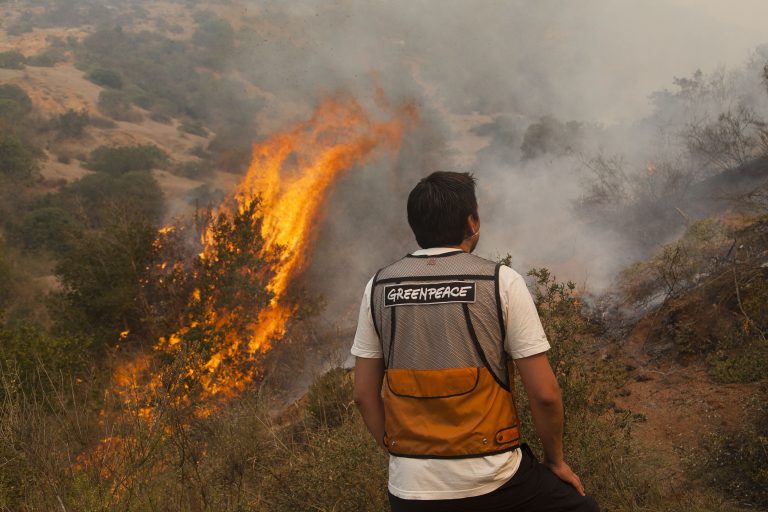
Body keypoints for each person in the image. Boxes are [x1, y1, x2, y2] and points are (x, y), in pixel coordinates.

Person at [351, 171, 599, 512]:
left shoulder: (376, 287)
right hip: (492, 478)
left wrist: (405, 460)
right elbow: (544, 394)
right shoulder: (501, 282)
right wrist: (555, 461)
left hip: (409, 489)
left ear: (415, 225)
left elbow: (364, 397)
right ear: (472, 222)